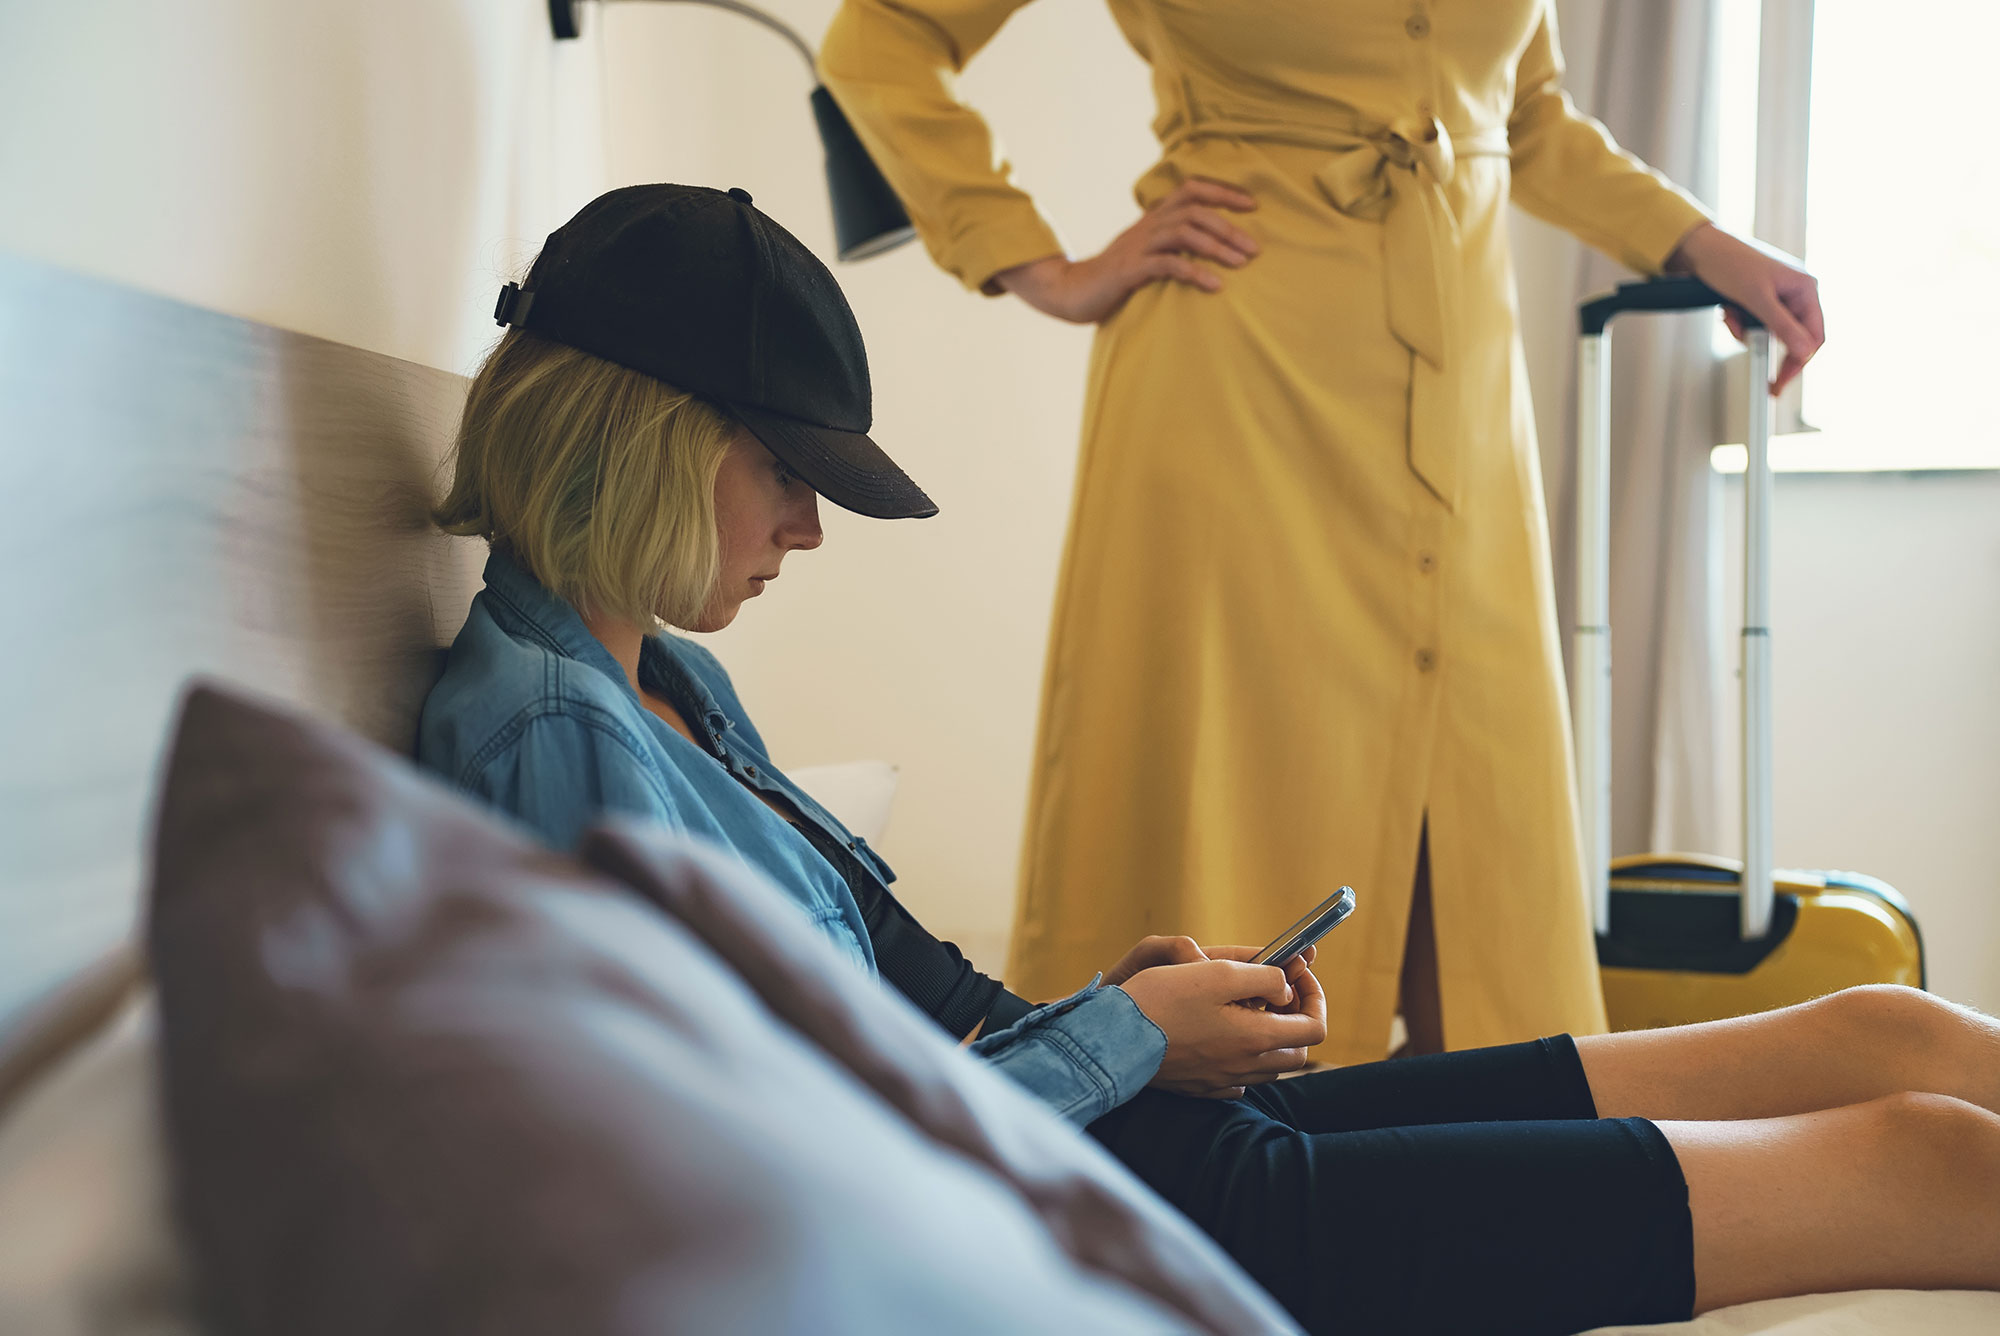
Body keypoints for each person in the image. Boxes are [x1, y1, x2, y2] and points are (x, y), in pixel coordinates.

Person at [419, 186, 1989, 1336]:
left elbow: (896, 1028)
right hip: (1112, 1213)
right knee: (1912, 1161)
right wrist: (1116, 1042)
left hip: (1114, 1145)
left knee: (1877, 1028)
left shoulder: (664, 681)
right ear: (643, 432)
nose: (807, 529)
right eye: (785, 470)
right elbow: (787, 1163)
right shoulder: (557, 736)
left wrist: (1115, 1016)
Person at [816, 0, 1829, 1061]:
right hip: (1239, 391)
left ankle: (1508, 1158)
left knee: (1482, 861)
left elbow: (1524, 114)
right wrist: (1036, 263)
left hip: (1464, 414)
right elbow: (881, 35)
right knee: (1244, 809)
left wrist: (1701, 241)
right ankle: (1209, 1139)